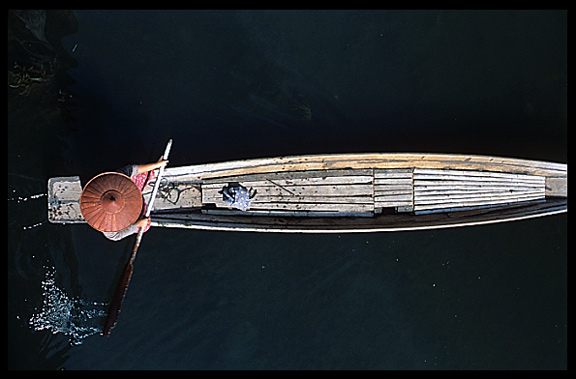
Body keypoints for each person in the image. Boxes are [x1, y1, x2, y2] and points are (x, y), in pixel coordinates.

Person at [102, 159, 168, 241]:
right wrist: (137, 225)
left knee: (140, 174)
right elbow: (114, 236)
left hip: (127, 191)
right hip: (126, 216)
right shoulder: (104, 220)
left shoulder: (114, 180)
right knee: (144, 226)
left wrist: (156, 164)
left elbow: (131, 169)